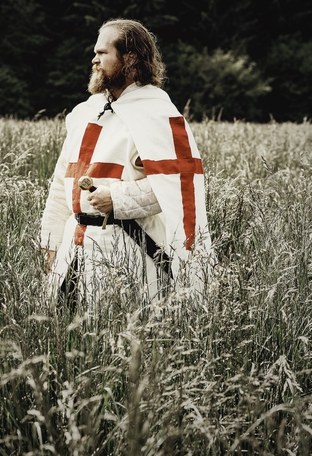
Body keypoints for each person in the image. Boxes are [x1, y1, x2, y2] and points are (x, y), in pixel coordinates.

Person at [40, 18, 212, 307]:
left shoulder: (157, 115)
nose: (94, 60)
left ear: (129, 57)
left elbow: (175, 186)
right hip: (74, 245)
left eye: (102, 53)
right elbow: (61, 184)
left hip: (126, 248)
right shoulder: (86, 113)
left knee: (118, 335)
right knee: (67, 336)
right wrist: (51, 242)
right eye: (95, 53)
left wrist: (117, 198)